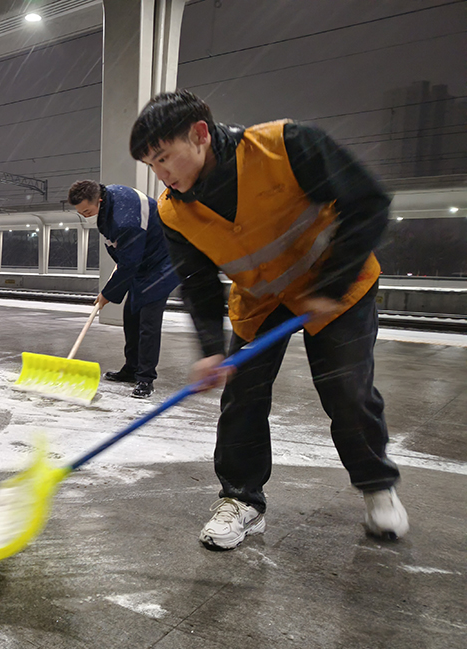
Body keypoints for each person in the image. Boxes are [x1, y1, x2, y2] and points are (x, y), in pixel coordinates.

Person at [129, 90, 407, 549]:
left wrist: (331, 287)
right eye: (152, 166)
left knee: (346, 389)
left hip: (337, 289)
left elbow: (368, 201)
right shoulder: (173, 211)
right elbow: (198, 283)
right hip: (261, 300)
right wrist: (212, 351)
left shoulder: (287, 145)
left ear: (200, 135)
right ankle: (241, 501)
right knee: (242, 396)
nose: (161, 175)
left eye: (164, 158)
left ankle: (377, 486)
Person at [68, 180, 180, 398]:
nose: (85, 216)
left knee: (148, 323)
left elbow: (128, 263)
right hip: (144, 260)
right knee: (131, 316)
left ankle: (145, 379)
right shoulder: (109, 197)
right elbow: (126, 255)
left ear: (98, 199)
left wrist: (107, 294)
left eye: (87, 211)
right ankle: (131, 368)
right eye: (80, 212)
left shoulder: (125, 220)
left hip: (162, 264)